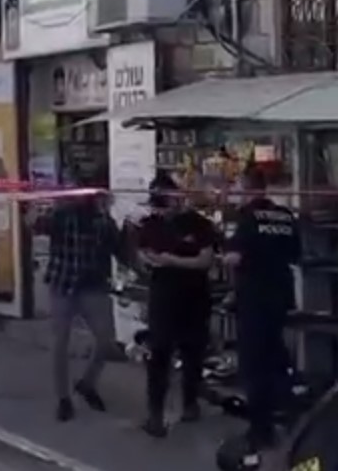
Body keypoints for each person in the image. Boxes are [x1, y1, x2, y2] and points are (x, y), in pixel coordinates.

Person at [224, 166, 301, 466]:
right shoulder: (285, 216)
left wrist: (223, 256)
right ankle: (293, 420)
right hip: (280, 295)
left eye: (239, 186)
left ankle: (261, 430)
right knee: (276, 356)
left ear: (248, 188)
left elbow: (234, 257)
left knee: (254, 365)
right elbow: (295, 254)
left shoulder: (247, 217)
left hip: (254, 297)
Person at [136, 172, 218, 436]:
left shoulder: (199, 224)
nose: (165, 207)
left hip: (194, 296)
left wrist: (173, 261)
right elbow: (143, 256)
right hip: (163, 296)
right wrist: (148, 261)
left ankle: (190, 403)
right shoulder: (150, 225)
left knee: (193, 352)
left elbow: (205, 260)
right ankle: (155, 415)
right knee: (159, 353)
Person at [33, 190, 120, 422]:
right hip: (64, 282)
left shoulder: (102, 218)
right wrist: (50, 207)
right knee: (60, 342)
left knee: (106, 339)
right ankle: (63, 398)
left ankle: (87, 383)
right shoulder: (63, 214)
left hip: (92, 285)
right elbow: (37, 225)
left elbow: (116, 247)